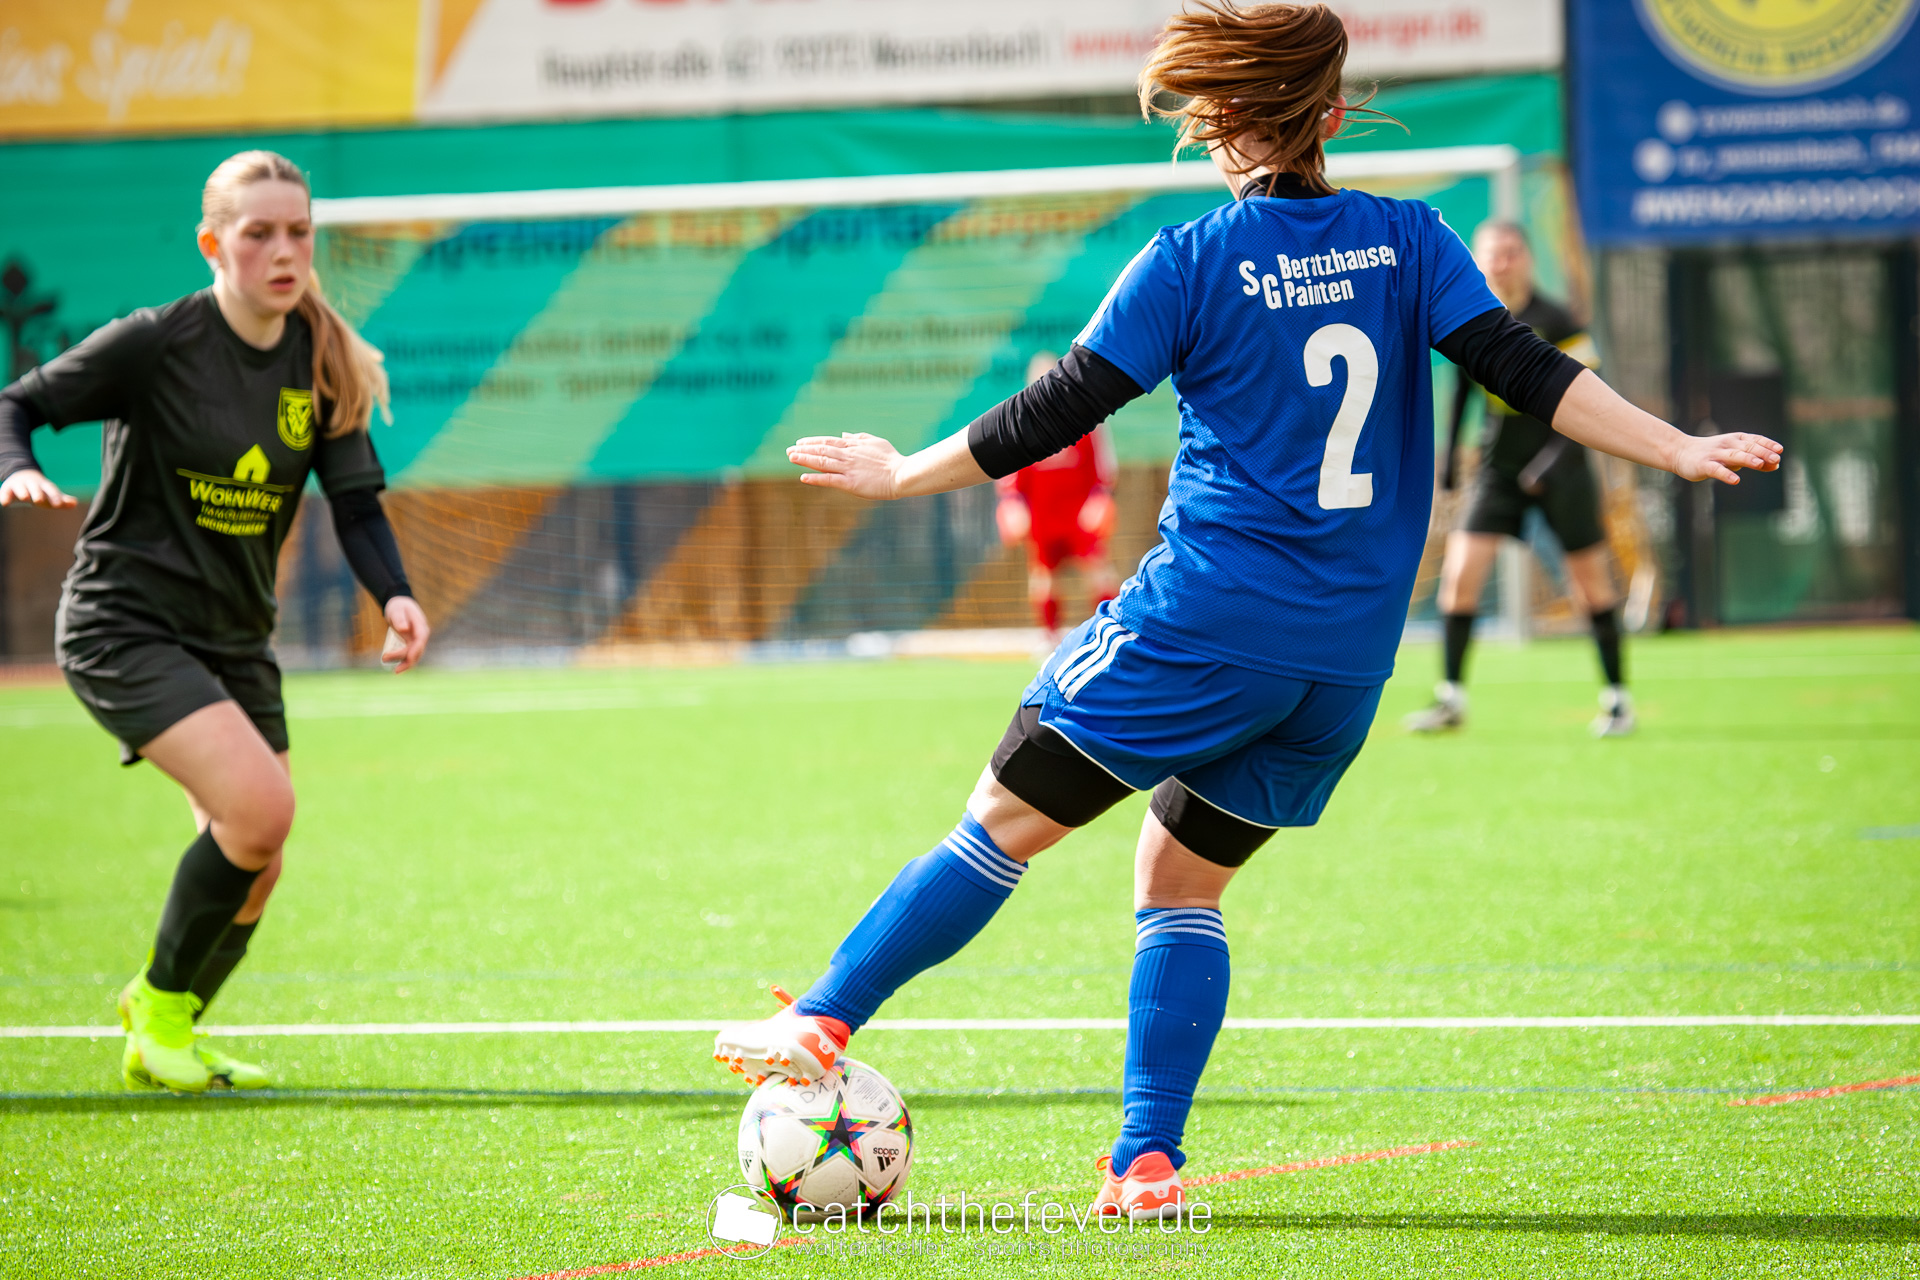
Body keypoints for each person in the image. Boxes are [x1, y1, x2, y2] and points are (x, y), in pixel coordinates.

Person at [711, 1, 1778, 1220]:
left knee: (1000, 819)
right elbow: (1528, 370)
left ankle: (822, 1017)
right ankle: (1145, 1164)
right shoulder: (1411, 239)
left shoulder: (1190, 260)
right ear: (1333, 120)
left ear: (1221, 123)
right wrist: (1675, 446)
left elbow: (1058, 408)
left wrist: (904, 471)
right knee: (1180, 879)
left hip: (1205, 623)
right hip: (1345, 663)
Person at [0, 151, 429, 1093]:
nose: (285, 252)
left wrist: (394, 593)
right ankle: (157, 1007)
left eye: (299, 232)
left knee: (258, 859)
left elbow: (356, 505)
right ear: (212, 244)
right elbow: (17, 404)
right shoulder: (157, 341)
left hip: (234, 635)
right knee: (261, 811)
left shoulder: (321, 356)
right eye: (258, 233)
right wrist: (15, 467)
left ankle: (167, 1034)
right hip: (124, 624)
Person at [1405, 220, 1631, 736]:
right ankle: (1451, 699)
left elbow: (1591, 402)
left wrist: (1547, 467)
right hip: (1499, 471)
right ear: (1478, 260)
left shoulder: (1558, 319)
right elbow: (1463, 391)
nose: (1501, 262)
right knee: (1459, 579)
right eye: (1492, 253)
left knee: (1591, 588)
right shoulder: (1470, 314)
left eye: (1511, 252)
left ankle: (1618, 700)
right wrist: (1447, 466)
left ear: (1527, 258)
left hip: (1562, 471)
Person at [995, 351, 1120, 639]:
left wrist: (1100, 497)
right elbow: (1010, 475)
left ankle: (1111, 632)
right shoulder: (1021, 425)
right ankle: (1049, 638)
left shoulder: (1086, 418)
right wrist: (1012, 504)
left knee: (1099, 570)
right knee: (1044, 577)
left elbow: (1104, 466)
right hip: (1042, 512)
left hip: (1079, 511)